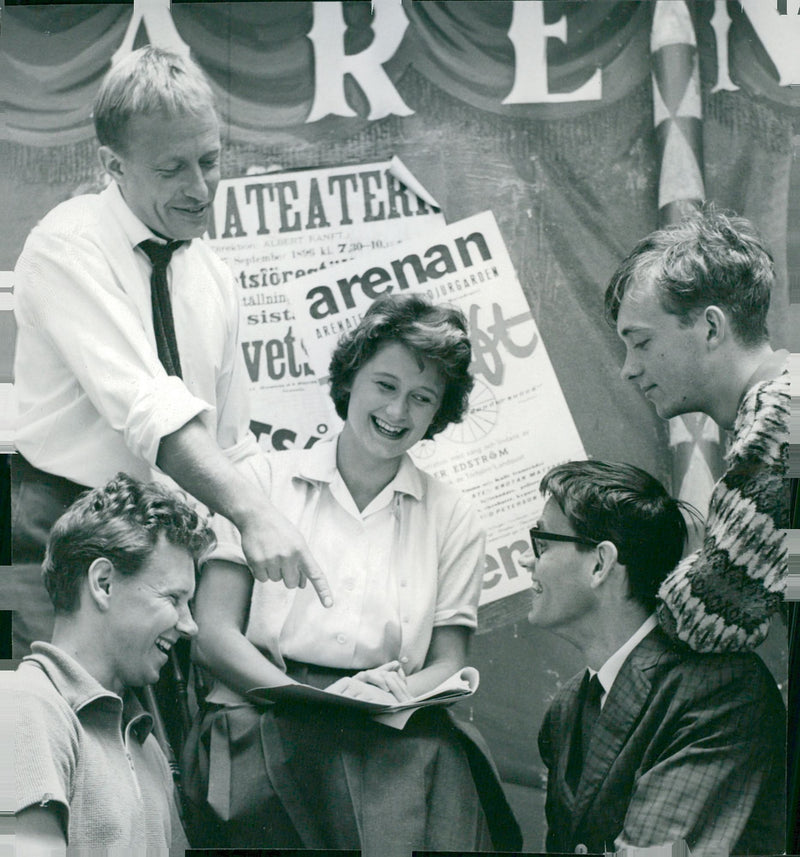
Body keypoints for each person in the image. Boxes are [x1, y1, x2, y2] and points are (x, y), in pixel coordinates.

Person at [10, 45, 330, 655]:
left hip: (171, 548)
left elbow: (233, 445)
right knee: (64, 725)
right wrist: (255, 515)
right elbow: (149, 407)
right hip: (65, 531)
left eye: (209, 160)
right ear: (115, 165)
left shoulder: (214, 277)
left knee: (155, 745)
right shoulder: (65, 246)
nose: (200, 188)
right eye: (171, 169)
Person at [181, 294, 521, 856]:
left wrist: (389, 697)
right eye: (384, 385)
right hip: (263, 711)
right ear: (350, 379)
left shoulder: (452, 514)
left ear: (439, 411)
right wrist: (299, 698)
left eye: (422, 398)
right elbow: (213, 635)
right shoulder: (261, 478)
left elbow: (449, 661)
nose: (398, 412)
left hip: (389, 726)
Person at [523, 460, 785, 856]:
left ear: (600, 563)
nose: (527, 561)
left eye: (541, 544)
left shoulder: (722, 690)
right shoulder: (564, 711)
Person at [604, 206, 789, 653]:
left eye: (642, 342)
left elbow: (704, 615)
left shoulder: (783, 416)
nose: (629, 369)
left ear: (710, 327)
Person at [7, 473, 215, 855]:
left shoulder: (145, 744)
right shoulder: (26, 705)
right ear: (103, 583)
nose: (190, 625)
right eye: (173, 598)